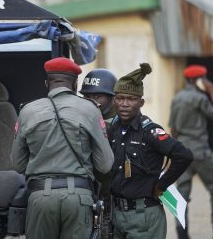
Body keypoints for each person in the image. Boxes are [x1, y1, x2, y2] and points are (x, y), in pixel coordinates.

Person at [11, 57, 114, 239]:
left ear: (46, 83)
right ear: (75, 85)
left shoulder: (27, 111)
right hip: (79, 198)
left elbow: (18, 164)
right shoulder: (90, 110)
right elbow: (105, 165)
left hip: (40, 198)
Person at [108, 63, 193, 239]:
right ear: (113, 100)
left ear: (141, 102)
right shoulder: (113, 128)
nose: (124, 104)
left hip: (144, 215)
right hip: (117, 214)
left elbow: (183, 156)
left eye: (131, 99)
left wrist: (161, 186)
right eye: (120, 98)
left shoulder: (150, 131)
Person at [169, 65, 213, 239]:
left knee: (182, 194)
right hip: (200, 152)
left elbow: (173, 128)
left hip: (182, 152)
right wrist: (210, 90)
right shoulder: (200, 98)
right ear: (199, 80)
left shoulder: (177, 98)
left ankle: (182, 233)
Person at [80, 69, 117, 239]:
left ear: (112, 98)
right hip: (88, 192)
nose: (92, 102)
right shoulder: (78, 118)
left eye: (98, 97)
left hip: (113, 194)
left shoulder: (121, 122)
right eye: (87, 97)